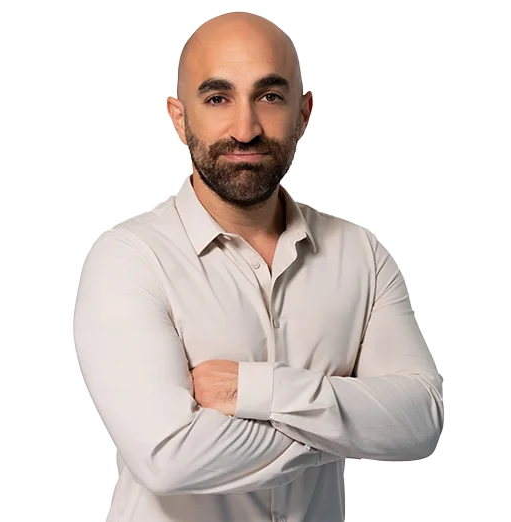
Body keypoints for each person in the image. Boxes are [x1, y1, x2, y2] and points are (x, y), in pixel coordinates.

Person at [73, 11, 444, 522]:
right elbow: (169, 459)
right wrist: (349, 426)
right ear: (179, 118)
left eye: (269, 96)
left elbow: (420, 420)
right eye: (217, 98)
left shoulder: (360, 255)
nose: (245, 129)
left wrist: (252, 391)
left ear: (304, 112)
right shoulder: (129, 260)